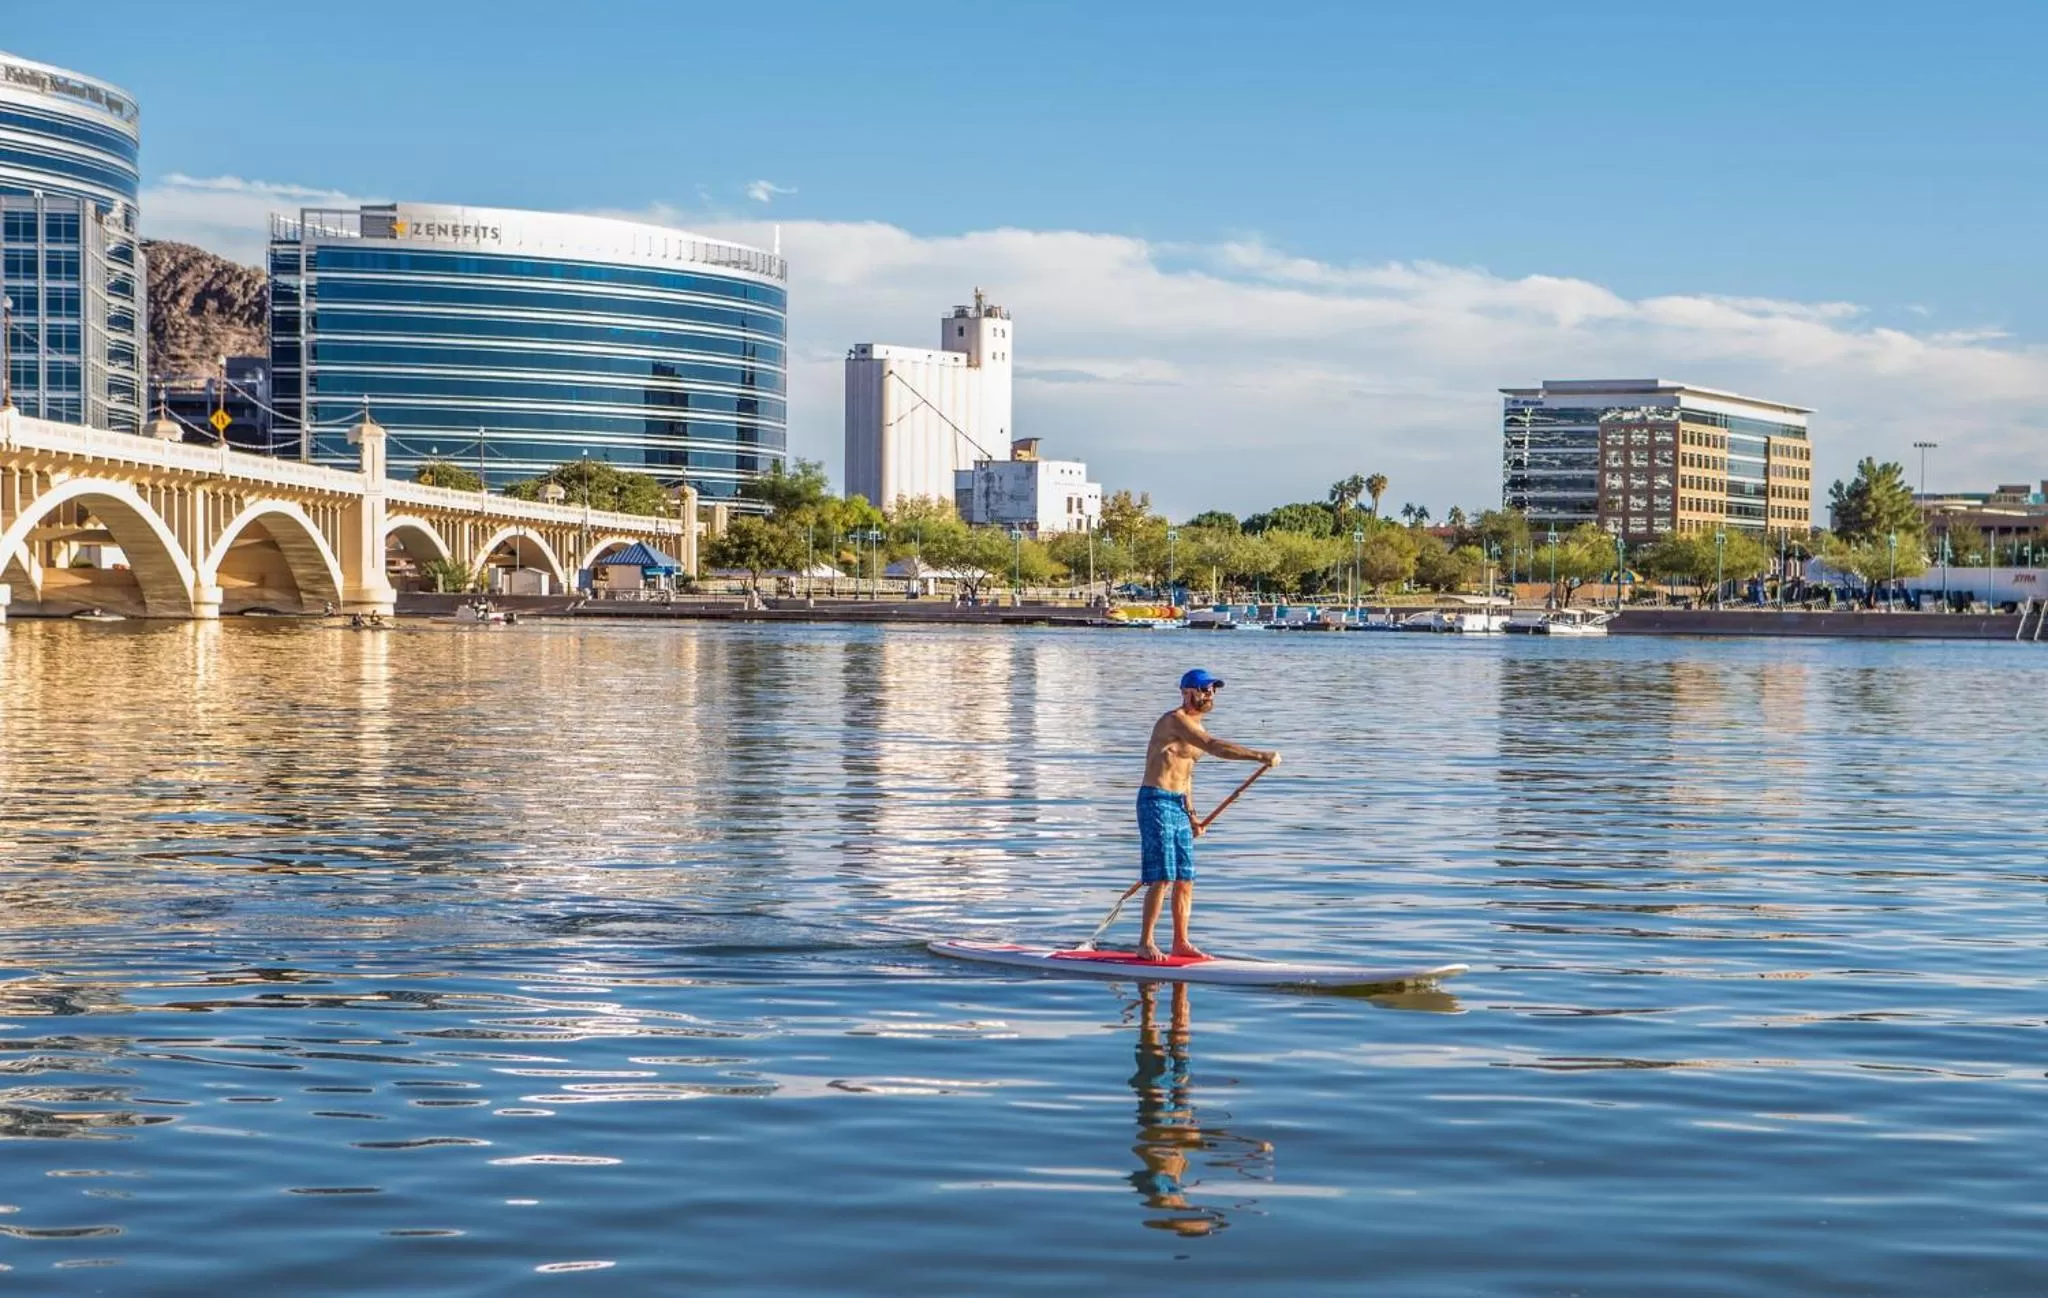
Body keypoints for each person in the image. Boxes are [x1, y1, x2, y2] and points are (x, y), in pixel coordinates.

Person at [1134, 668, 1278, 962]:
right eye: (1202, 689)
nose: (1208, 694)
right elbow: (1213, 747)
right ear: (1186, 692)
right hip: (1155, 800)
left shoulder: (1194, 730)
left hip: (1177, 804)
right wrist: (1259, 755)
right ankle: (1145, 942)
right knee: (1163, 876)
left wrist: (1192, 816)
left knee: (1185, 878)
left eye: (1212, 690)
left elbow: (1186, 777)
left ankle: (1180, 943)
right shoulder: (1173, 720)